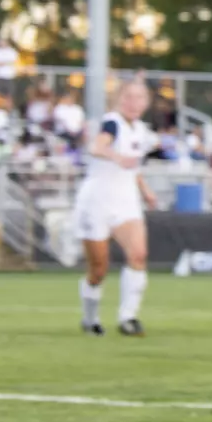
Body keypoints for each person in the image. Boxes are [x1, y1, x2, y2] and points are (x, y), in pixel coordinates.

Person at [73, 80, 158, 337]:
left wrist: (146, 191)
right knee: (98, 269)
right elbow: (97, 147)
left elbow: (135, 166)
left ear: (146, 102)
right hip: (97, 201)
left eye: (139, 97)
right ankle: (90, 318)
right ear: (119, 99)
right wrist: (116, 157)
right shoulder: (112, 123)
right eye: (128, 97)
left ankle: (128, 318)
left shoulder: (141, 130)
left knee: (139, 255)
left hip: (126, 200)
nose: (134, 103)